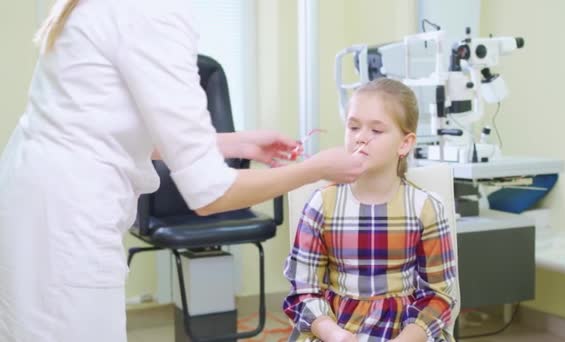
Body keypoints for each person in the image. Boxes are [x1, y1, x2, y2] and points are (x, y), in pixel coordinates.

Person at [0, 1, 367, 341]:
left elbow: (116, 126)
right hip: (66, 220)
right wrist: (316, 169)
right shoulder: (152, 12)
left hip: (33, 200)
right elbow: (210, 194)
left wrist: (239, 144)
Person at [283, 78, 457, 342]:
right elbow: (303, 291)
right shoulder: (322, 204)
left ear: (405, 143)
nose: (361, 137)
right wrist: (333, 334)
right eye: (353, 127)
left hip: (406, 332)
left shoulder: (426, 208)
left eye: (376, 131)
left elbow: (438, 295)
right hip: (336, 330)